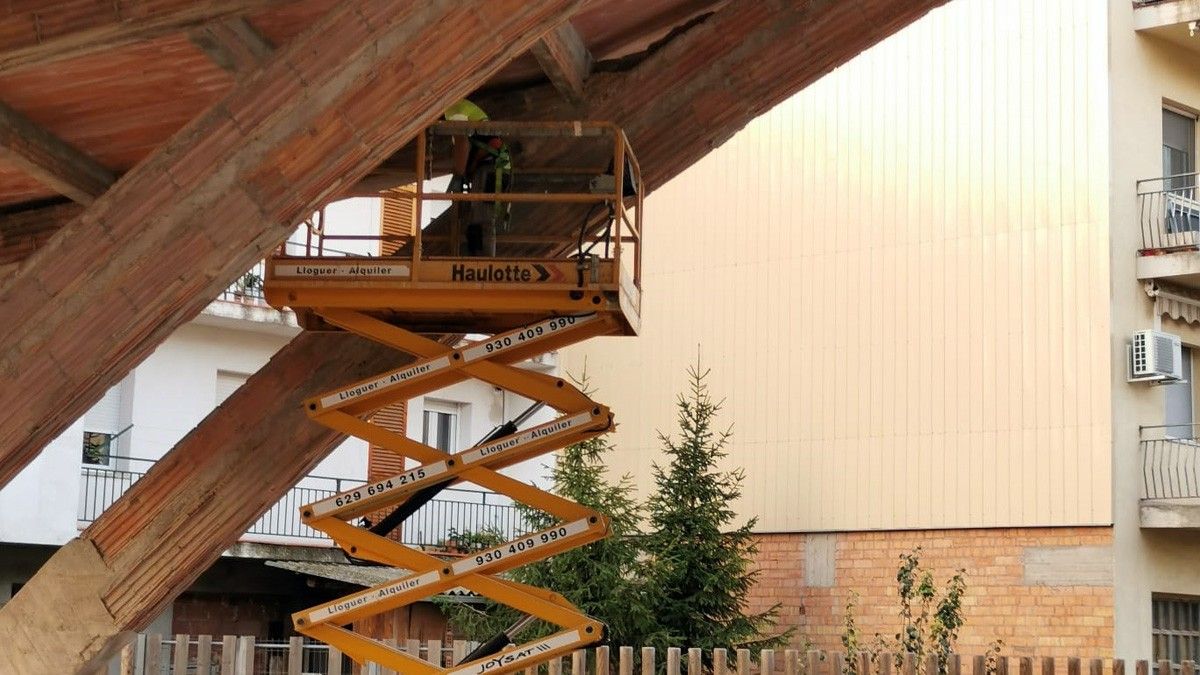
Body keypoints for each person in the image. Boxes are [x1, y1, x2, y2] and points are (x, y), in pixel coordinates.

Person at [444, 99, 512, 256]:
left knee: (483, 219)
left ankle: (485, 265)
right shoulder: (460, 107)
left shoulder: (454, 109)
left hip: (491, 168)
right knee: (478, 218)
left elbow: (462, 144)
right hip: (493, 167)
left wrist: (459, 176)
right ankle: (480, 262)